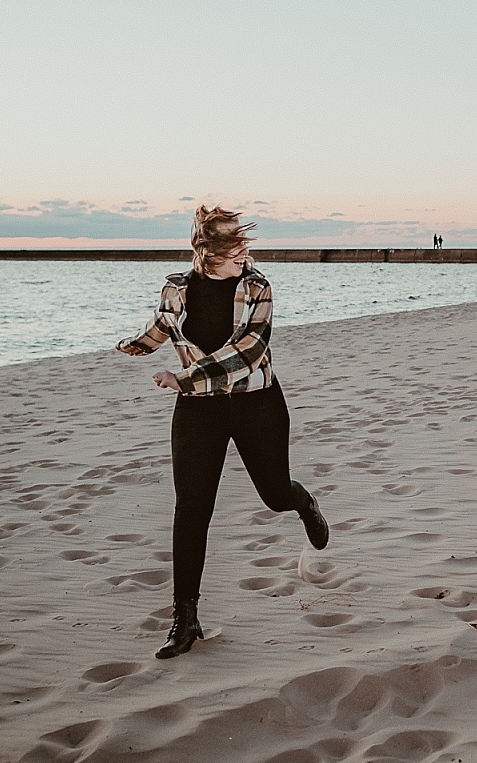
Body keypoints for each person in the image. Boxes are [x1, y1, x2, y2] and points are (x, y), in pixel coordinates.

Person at [116, 204, 330, 659]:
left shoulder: (257, 286)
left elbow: (248, 352)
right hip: (199, 410)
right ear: (207, 249)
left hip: (257, 403)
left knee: (274, 494)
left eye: (244, 240)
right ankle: (185, 618)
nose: (244, 250)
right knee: (191, 508)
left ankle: (302, 501)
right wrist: (135, 345)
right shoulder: (176, 287)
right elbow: (163, 323)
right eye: (234, 242)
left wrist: (183, 379)